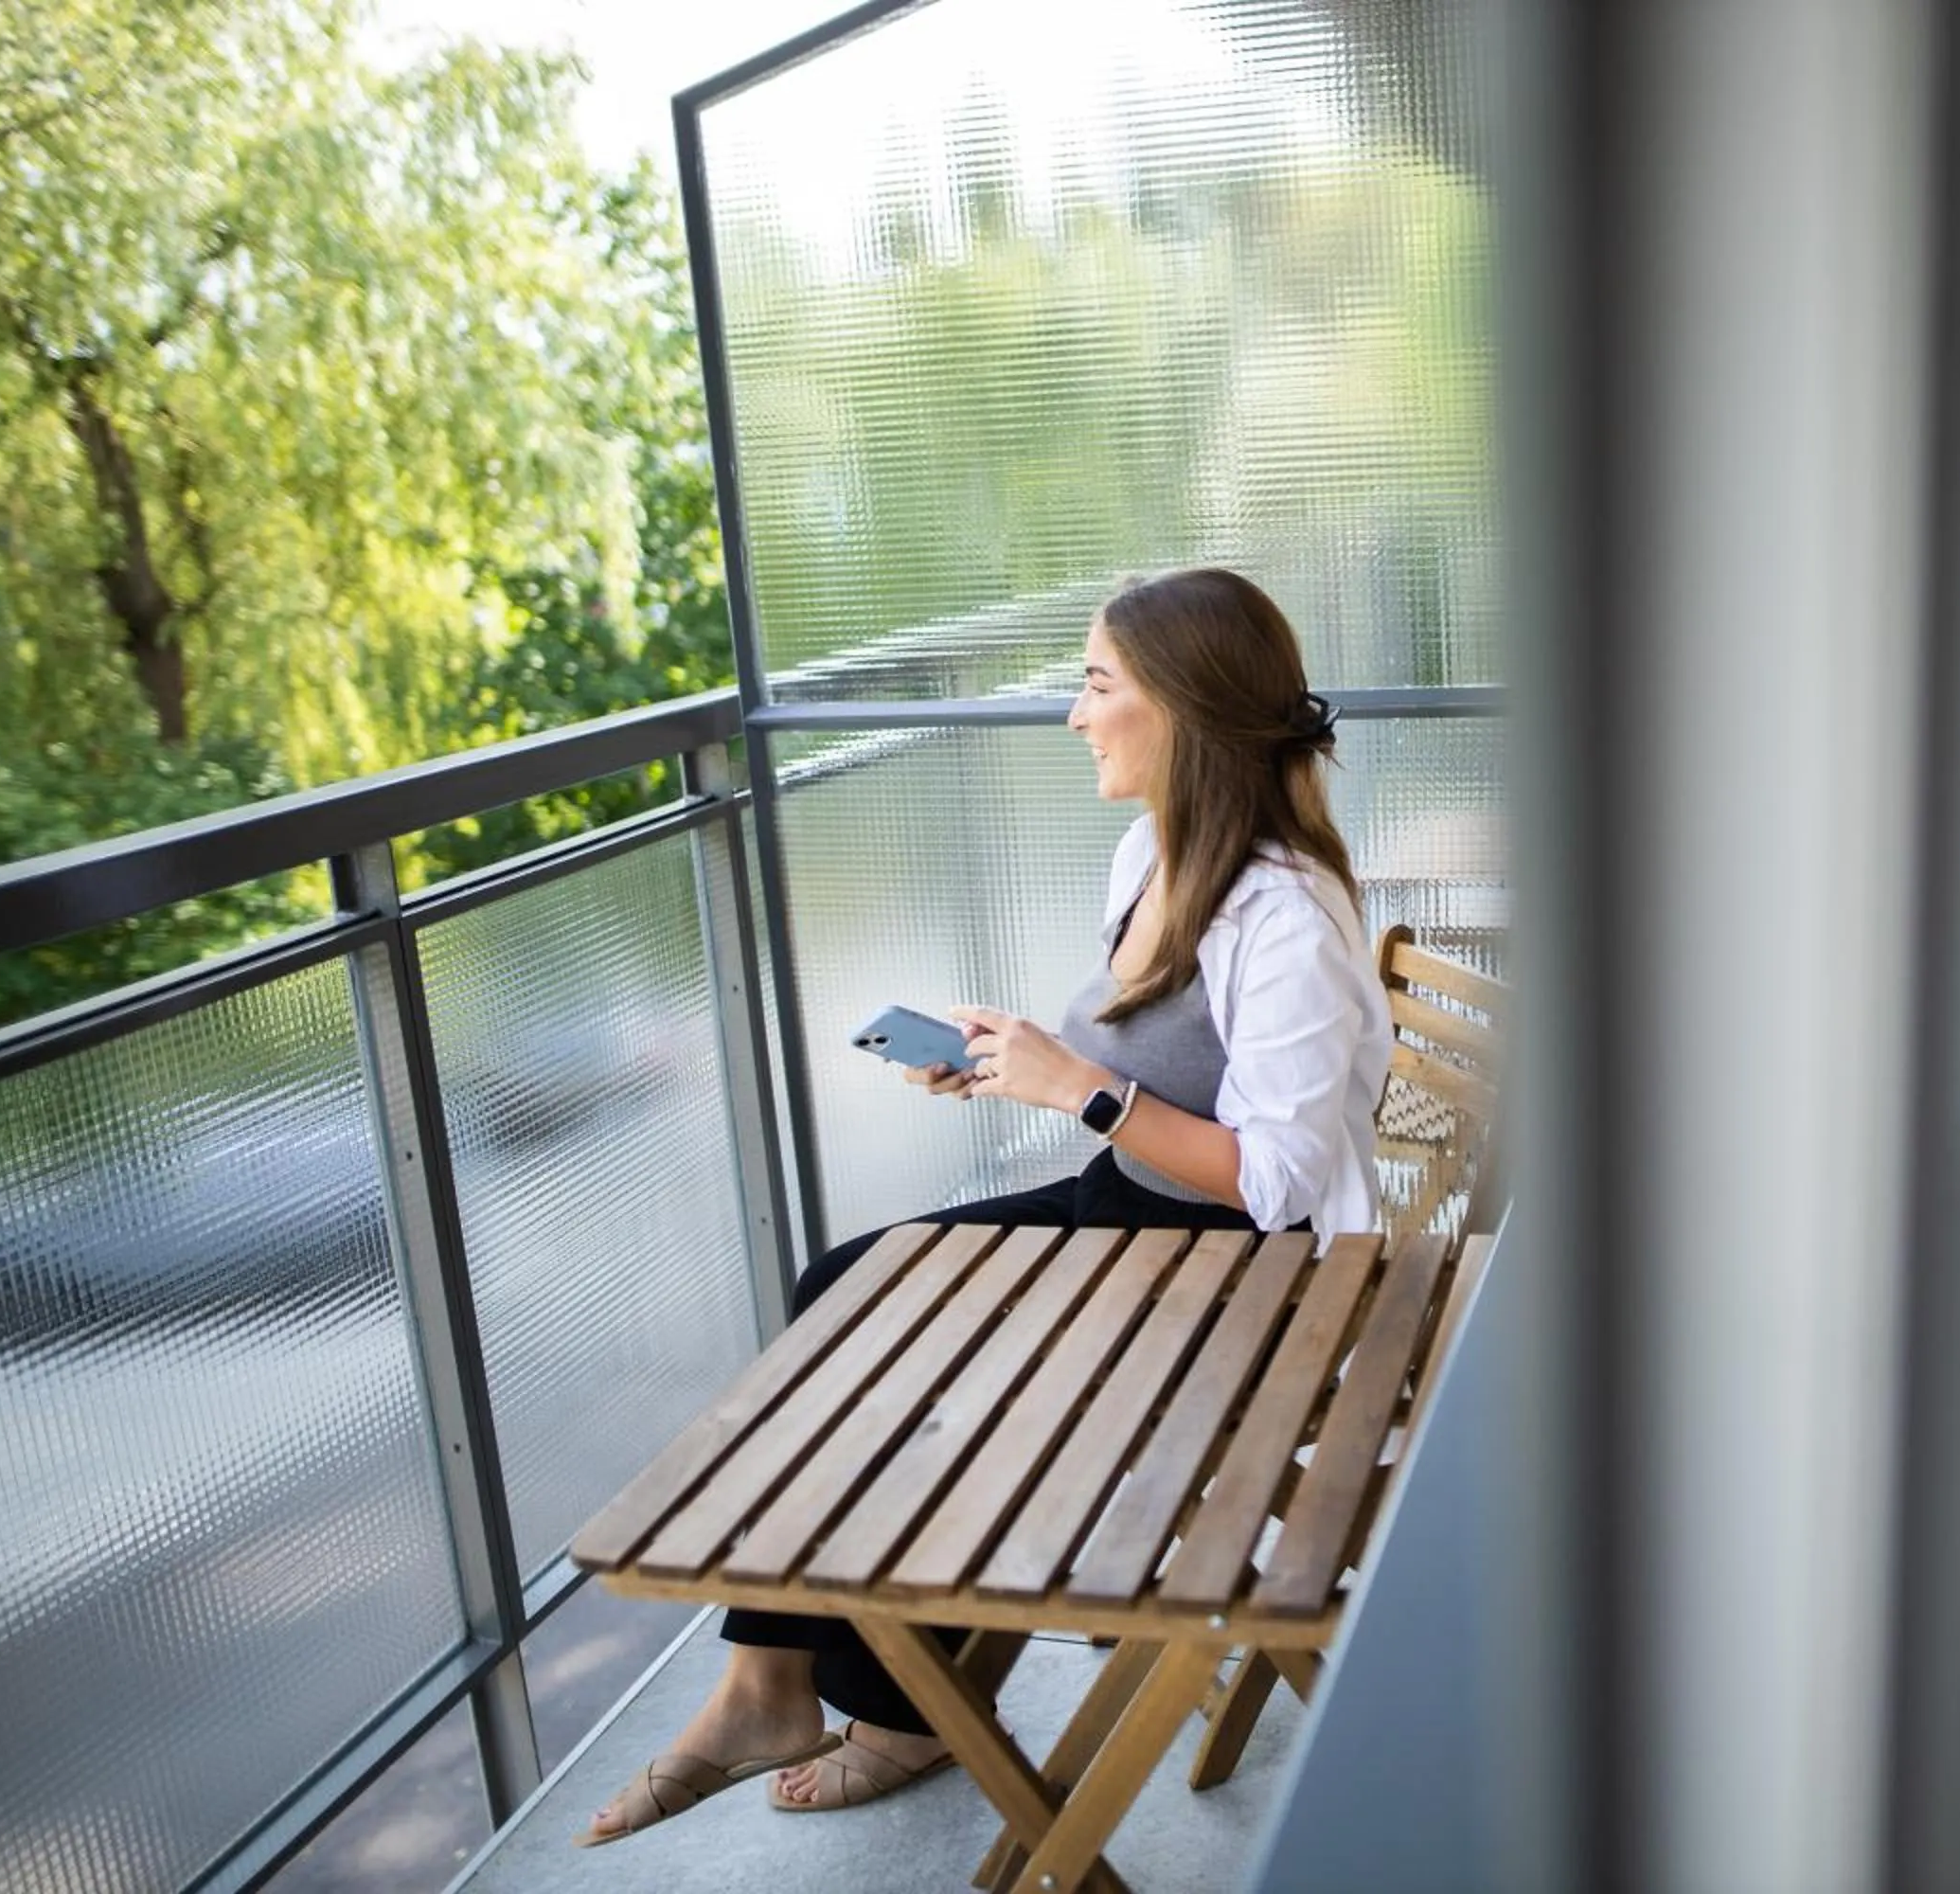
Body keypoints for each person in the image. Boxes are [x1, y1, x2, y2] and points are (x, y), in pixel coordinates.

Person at [580, 567, 1391, 1845]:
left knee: (910, 1358)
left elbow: (1274, 1182)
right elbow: (1140, 1068)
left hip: (1239, 1280)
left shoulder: (1284, 913)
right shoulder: (1154, 852)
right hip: (1132, 1219)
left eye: (1096, 684)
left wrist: (1081, 1091)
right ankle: (769, 1682)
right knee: (847, 1282)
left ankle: (878, 1705)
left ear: (1181, 709)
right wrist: (1009, 1060)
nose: (1074, 714)